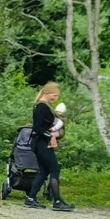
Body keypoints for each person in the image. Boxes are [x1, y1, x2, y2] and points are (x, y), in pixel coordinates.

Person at [26, 82, 75, 212]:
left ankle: (31, 198)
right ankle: (57, 201)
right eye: (54, 95)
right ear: (46, 93)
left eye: (57, 96)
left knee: (43, 171)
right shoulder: (42, 107)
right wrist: (50, 136)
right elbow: (37, 127)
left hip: (39, 142)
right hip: (41, 142)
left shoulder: (44, 106)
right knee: (54, 169)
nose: (56, 98)